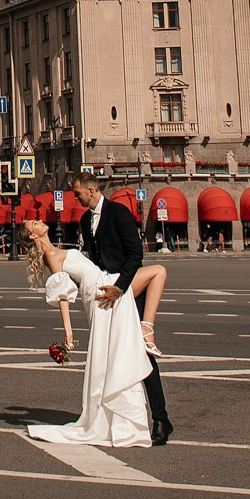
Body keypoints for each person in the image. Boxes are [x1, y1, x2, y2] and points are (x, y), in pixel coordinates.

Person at [19, 220, 152, 448]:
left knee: (113, 347)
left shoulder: (56, 249)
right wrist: (68, 331)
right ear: (32, 235)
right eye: (34, 223)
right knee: (110, 347)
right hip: (97, 287)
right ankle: (146, 330)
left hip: (102, 282)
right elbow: (62, 293)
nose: (40, 221)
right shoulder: (51, 254)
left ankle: (116, 415)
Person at [68, 174, 173, 444]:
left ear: (91, 190)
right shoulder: (84, 220)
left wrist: (121, 287)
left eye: (78, 193)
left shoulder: (119, 212)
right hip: (106, 294)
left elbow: (135, 255)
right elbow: (94, 261)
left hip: (125, 292)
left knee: (142, 356)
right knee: (109, 355)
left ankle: (161, 419)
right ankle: (109, 418)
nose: (75, 198)